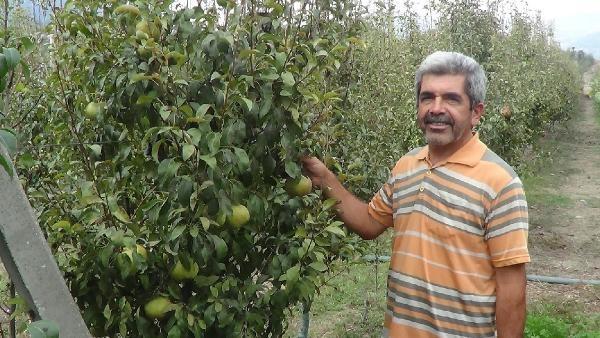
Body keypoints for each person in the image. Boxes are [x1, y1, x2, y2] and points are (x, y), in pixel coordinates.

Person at [302, 51, 530, 338]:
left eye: (451, 98)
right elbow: (369, 222)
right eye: (427, 97)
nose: (436, 108)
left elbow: (512, 289)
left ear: (476, 112)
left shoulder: (500, 183)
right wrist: (324, 178)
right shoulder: (407, 166)